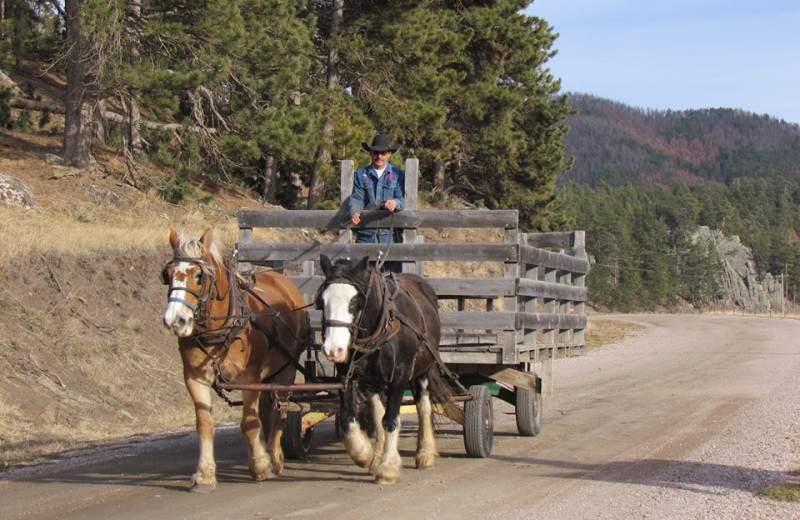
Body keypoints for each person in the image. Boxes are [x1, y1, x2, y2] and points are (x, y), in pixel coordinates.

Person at [349, 133, 405, 272]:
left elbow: (403, 199)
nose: (379, 156)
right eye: (375, 152)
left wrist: (396, 202)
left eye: (383, 153)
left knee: (392, 281)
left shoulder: (398, 174)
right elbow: (357, 198)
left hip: (390, 238)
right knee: (362, 281)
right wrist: (354, 211)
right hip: (366, 236)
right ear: (370, 153)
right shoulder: (360, 175)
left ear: (389, 155)